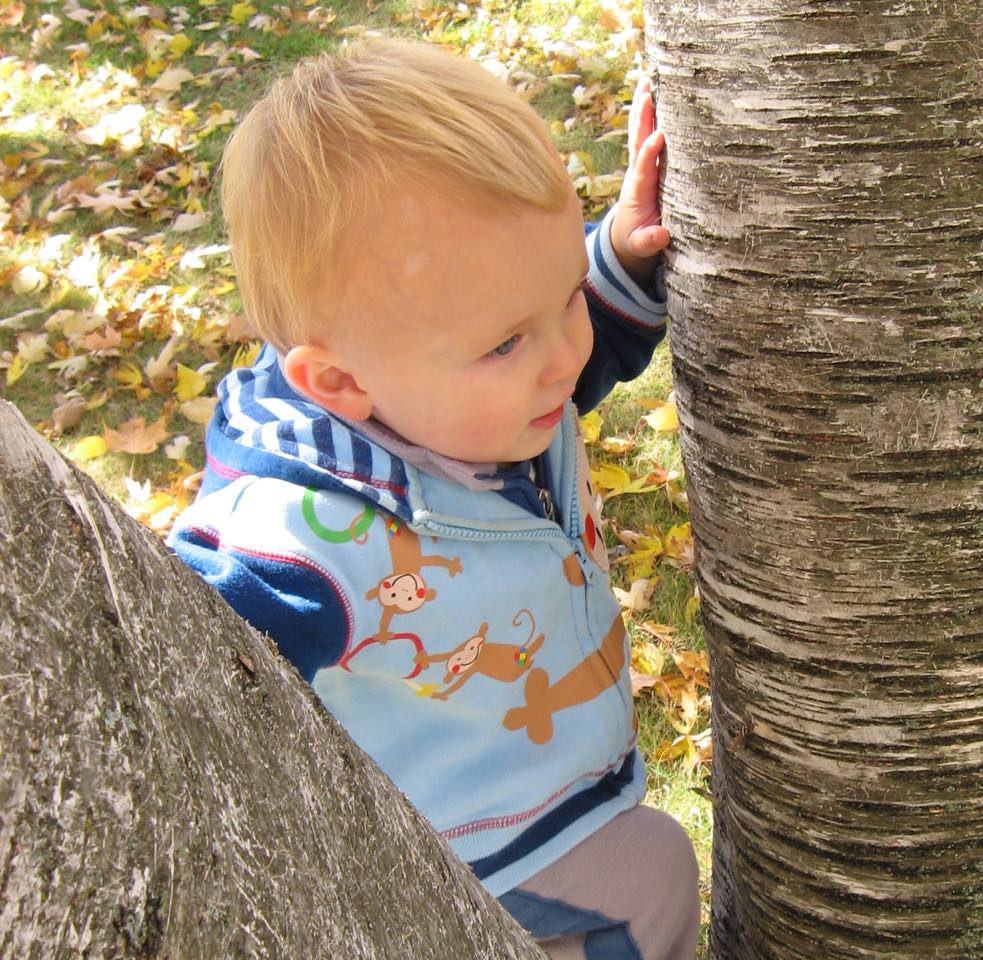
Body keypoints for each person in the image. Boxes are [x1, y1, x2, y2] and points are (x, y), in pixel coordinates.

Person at [167, 38, 699, 959]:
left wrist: (613, 258)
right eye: (507, 343)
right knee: (654, 875)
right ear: (336, 384)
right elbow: (181, 637)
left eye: (564, 296)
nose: (563, 357)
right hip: (473, 842)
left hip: (537, 792)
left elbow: (566, 359)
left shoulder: (458, 389)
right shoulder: (299, 529)